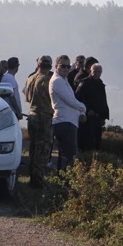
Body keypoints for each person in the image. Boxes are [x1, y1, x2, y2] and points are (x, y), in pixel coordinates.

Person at [50, 55, 87, 171]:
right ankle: (65, 184)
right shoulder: (57, 81)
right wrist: (83, 108)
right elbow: (70, 100)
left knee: (67, 156)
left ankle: (63, 182)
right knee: (69, 157)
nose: (66, 69)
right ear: (56, 66)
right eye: (62, 66)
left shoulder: (63, 80)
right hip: (64, 122)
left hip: (68, 121)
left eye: (67, 66)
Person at [24, 55, 54, 188]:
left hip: (32, 115)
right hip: (44, 116)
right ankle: (37, 180)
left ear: (38, 65)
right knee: (42, 149)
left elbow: (27, 98)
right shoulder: (48, 80)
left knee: (33, 147)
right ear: (50, 66)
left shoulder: (30, 78)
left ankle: (32, 176)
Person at [74, 63, 109, 151]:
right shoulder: (84, 83)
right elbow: (78, 98)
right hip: (87, 118)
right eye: (95, 71)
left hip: (98, 117)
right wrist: (87, 110)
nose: (97, 73)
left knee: (96, 143)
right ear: (90, 71)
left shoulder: (101, 84)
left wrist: (104, 114)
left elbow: (102, 101)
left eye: (99, 72)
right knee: (86, 142)